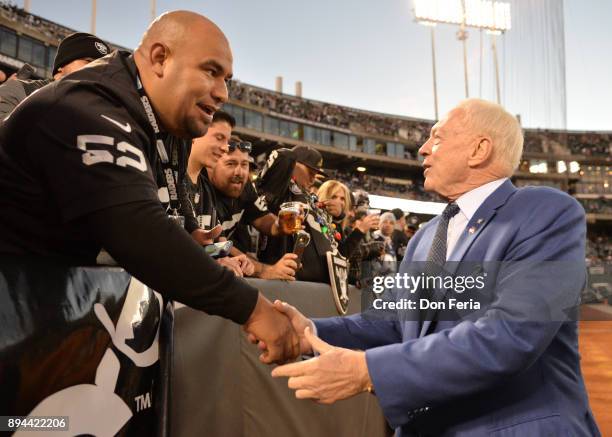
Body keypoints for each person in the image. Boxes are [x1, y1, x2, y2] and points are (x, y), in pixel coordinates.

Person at [267, 99, 600, 436]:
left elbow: (512, 334)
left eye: (437, 138)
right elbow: (395, 320)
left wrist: (367, 371)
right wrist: (310, 332)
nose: (423, 149)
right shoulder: (425, 237)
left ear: (479, 150)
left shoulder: (545, 212)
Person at [0, 11, 298, 364]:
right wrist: (255, 310)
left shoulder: (148, 120)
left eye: (227, 79)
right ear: (160, 58)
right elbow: (139, 231)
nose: (222, 93)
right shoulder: (89, 105)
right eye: (211, 71)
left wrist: (184, 240)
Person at [208, 137, 299, 281]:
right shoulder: (201, 188)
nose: (239, 172)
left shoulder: (243, 186)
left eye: (244, 164)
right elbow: (212, 248)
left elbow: (262, 218)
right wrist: (265, 270)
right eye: (230, 164)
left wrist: (279, 225)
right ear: (210, 164)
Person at [257, 145, 335, 283]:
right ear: (294, 165)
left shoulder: (309, 197)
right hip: (280, 274)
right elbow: (284, 157)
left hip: (306, 279)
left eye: (315, 174)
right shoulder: (282, 188)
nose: (313, 179)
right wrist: (291, 160)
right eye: (310, 172)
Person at [0, 32, 111, 122]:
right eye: (89, 62)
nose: (96, 71)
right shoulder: (19, 90)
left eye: (102, 68)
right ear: (62, 66)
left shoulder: (101, 115)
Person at [316, 180, 378, 260]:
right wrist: (360, 230)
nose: (339, 202)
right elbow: (341, 255)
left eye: (342, 199)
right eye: (334, 197)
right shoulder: (316, 219)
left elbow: (342, 255)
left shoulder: (337, 225)